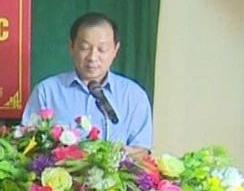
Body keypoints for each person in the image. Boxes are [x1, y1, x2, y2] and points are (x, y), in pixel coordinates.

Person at [22, 11, 153, 149]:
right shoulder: (47, 92)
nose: (92, 57)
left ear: (115, 49)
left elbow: (141, 150)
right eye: (84, 48)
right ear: (71, 47)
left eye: (102, 49)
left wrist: (115, 156)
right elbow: (28, 146)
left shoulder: (133, 96)